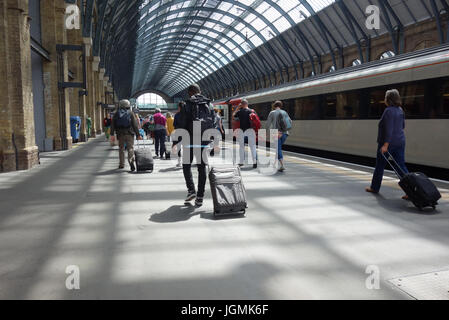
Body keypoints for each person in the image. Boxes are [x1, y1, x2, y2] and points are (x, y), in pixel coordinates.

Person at [366, 89, 409, 199]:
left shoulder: (388, 111)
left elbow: (389, 129)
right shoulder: (400, 110)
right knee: (400, 166)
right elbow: (403, 126)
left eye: (385, 97)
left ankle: (374, 188)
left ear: (388, 99)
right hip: (400, 141)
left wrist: (385, 145)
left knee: (380, 165)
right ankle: (410, 190)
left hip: (388, 143)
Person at [178, 84, 216, 207]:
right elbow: (214, 123)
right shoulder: (209, 104)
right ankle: (200, 197)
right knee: (201, 168)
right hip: (204, 141)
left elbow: (182, 124)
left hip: (189, 140)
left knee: (186, 165)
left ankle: (191, 190)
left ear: (190, 93)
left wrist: (177, 141)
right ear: (200, 91)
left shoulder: (187, 104)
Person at [110, 99, 140, 171]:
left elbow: (112, 124)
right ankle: (131, 161)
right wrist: (138, 134)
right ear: (128, 105)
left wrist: (112, 134)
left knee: (121, 149)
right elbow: (135, 124)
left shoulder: (116, 113)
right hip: (129, 133)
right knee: (130, 148)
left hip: (120, 134)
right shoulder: (130, 113)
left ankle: (121, 164)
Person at [232, 99, 258, 169]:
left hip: (242, 131)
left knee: (241, 147)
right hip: (251, 131)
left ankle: (241, 162)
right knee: (253, 147)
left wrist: (237, 108)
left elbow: (233, 116)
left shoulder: (240, 112)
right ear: (247, 104)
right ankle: (255, 162)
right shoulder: (252, 111)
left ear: (242, 105)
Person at [266, 100, 290, 172]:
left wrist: (266, 132)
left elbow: (268, 124)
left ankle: (282, 165)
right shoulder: (284, 112)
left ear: (274, 106)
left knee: (278, 149)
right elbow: (290, 121)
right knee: (278, 148)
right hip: (285, 133)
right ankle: (275, 164)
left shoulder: (272, 113)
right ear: (281, 106)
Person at [173, 102, 185, 167]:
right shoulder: (187, 114)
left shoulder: (177, 115)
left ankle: (179, 162)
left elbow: (174, 124)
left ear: (179, 107)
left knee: (179, 147)